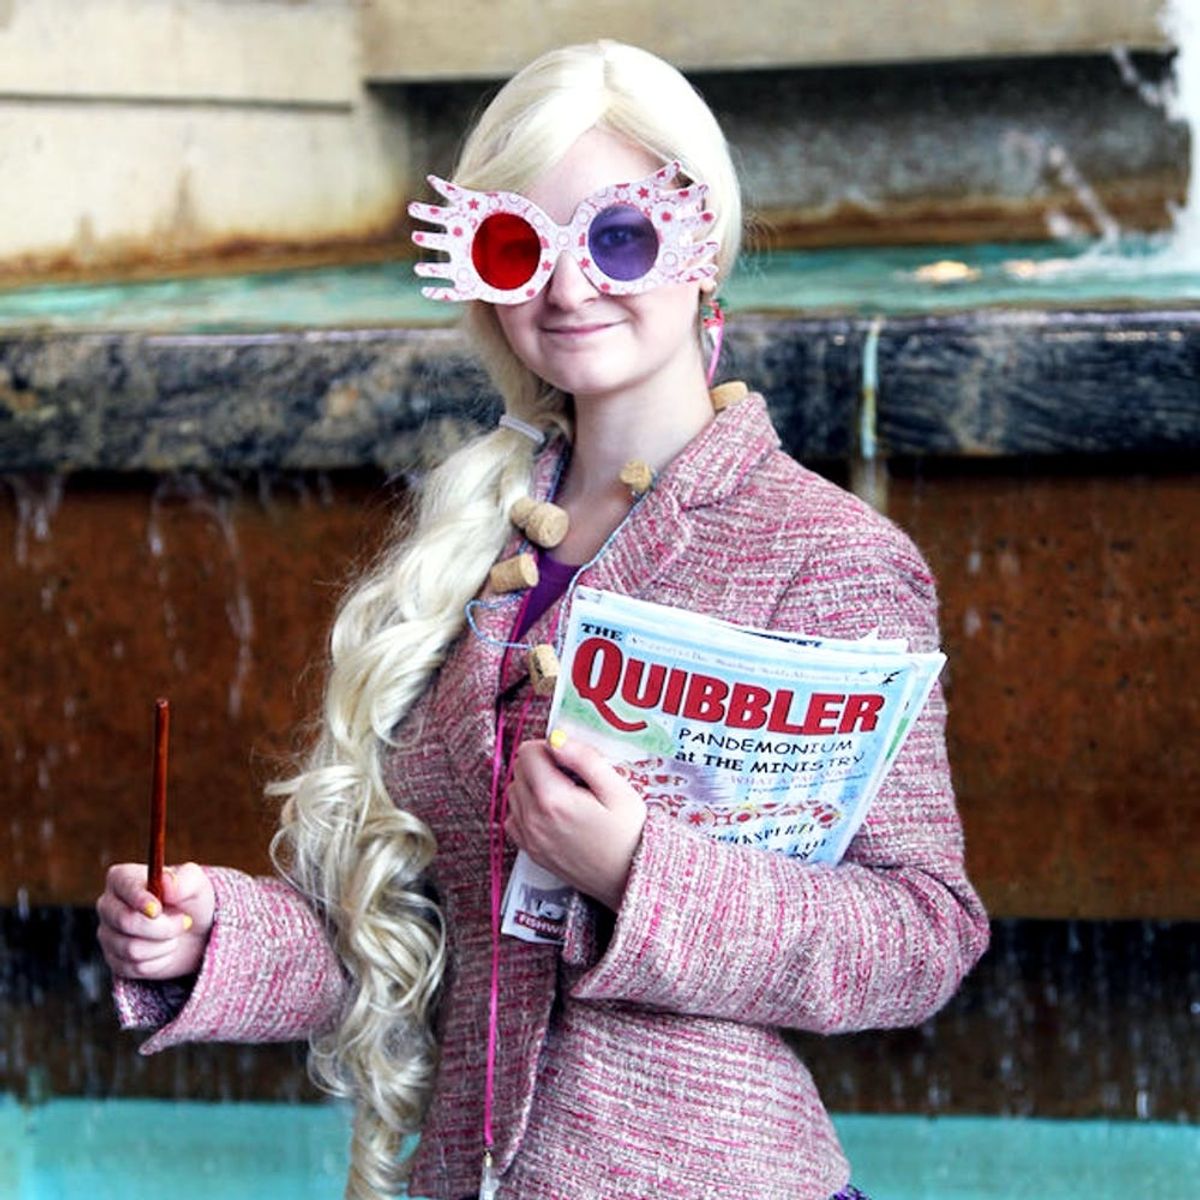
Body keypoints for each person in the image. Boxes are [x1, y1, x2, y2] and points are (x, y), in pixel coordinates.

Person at [96, 39, 990, 1200]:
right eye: (519, 247)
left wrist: (637, 870)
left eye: (619, 237)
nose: (567, 288)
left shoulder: (826, 553)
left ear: (702, 243)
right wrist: (214, 934)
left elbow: (922, 936)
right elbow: (420, 940)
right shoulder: (472, 541)